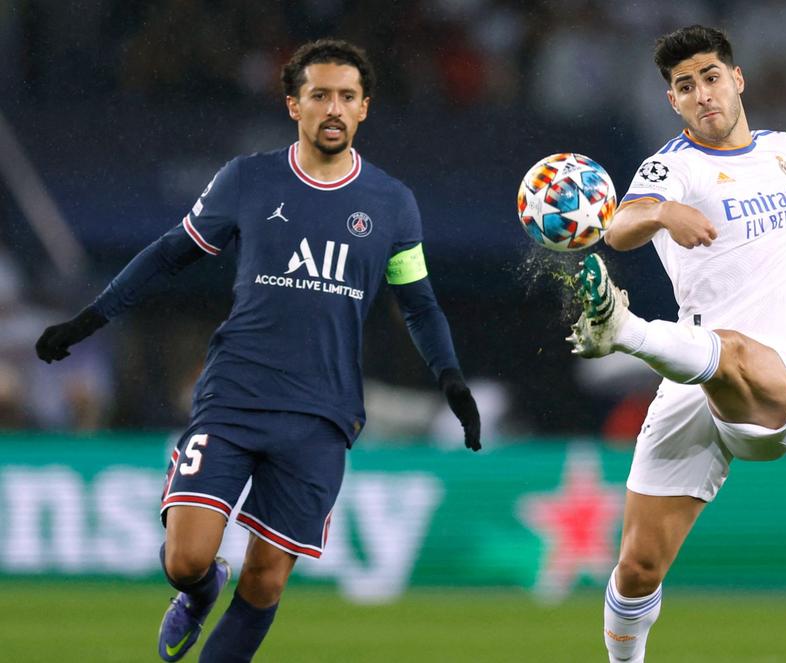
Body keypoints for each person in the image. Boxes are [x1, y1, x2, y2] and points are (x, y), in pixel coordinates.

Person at [35, 38, 481, 662]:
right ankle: (197, 591)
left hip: (323, 413)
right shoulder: (248, 179)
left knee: (267, 577)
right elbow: (169, 253)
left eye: (346, 97)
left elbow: (419, 303)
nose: (333, 108)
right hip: (234, 396)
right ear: (292, 105)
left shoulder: (391, 203)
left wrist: (451, 379)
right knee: (186, 558)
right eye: (319, 94)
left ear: (364, 109)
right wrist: (90, 318)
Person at [565, 26, 786, 662]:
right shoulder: (673, 168)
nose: (702, 94)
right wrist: (664, 212)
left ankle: (625, 332)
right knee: (638, 566)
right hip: (696, 377)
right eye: (685, 86)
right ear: (673, 100)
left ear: (737, 78)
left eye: (710, 77)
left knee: (734, 346)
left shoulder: (782, 148)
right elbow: (620, 225)